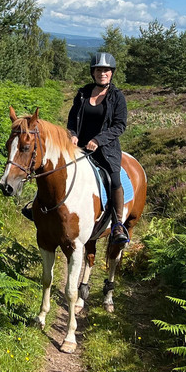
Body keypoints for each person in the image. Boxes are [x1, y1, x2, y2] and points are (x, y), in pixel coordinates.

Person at [67, 51, 130, 246]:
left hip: (106, 150)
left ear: (112, 73)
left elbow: (120, 125)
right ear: (93, 73)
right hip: (80, 148)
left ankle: (118, 224)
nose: (102, 73)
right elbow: (71, 120)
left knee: (114, 179)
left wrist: (99, 139)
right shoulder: (83, 93)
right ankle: (38, 207)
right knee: (55, 168)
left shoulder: (117, 97)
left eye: (106, 70)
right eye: (98, 70)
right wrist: (73, 135)